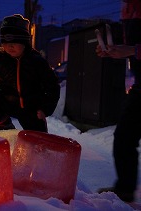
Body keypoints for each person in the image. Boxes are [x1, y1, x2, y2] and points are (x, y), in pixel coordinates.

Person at [0, 14, 60, 131]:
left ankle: (39, 132)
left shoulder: (36, 61)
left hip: (31, 108)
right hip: (9, 102)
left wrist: (45, 109)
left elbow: (53, 86)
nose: (10, 46)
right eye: (5, 42)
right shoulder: (0, 59)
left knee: (37, 140)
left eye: (15, 41)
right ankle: (4, 123)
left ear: (24, 42)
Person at [96, 0, 141, 203]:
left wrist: (132, 50)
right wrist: (114, 50)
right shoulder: (128, 9)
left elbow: (134, 48)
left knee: (125, 136)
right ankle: (125, 190)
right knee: (124, 136)